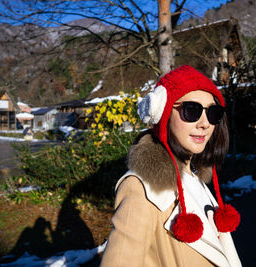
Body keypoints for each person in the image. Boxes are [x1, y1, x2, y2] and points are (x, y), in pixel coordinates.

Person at [100, 65, 242, 267]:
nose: (204, 123)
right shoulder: (141, 189)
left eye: (213, 113)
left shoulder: (194, 176)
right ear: (162, 114)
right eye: (191, 110)